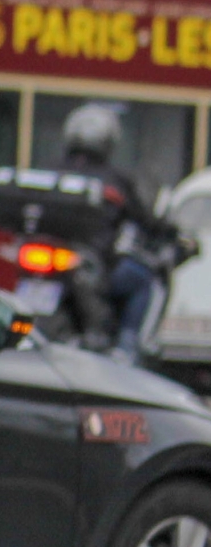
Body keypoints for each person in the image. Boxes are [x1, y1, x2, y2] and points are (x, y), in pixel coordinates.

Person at [58, 103, 182, 362]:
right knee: (143, 279)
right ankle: (127, 346)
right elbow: (144, 219)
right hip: (94, 263)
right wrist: (170, 232)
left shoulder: (52, 171)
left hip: (57, 260)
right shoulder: (114, 179)